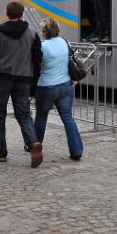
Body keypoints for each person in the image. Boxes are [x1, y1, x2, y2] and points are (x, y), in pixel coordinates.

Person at [0, 0, 44, 168]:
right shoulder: (33, 33)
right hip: (23, 78)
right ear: (22, 13)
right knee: (23, 114)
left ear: (7, 13)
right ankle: (33, 142)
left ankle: (1, 152)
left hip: (1, 78)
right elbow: (37, 59)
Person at [33, 18, 84, 161]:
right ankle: (76, 150)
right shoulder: (65, 42)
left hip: (47, 86)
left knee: (41, 116)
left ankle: (35, 145)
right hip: (65, 85)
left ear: (44, 32)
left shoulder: (43, 47)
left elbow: (37, 64)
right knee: (68, 118)